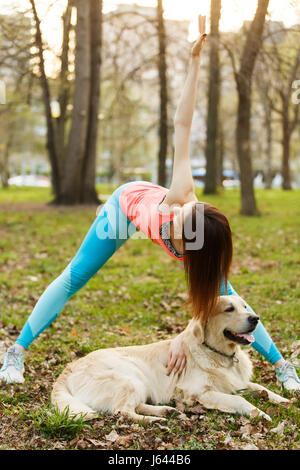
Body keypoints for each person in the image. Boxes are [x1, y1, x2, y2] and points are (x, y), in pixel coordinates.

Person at [1, 16, 299, 391]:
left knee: (231, 298)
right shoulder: (180, 194)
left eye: (186, 219)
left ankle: (284, 365)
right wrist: (194, 62)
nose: (179, 212)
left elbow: (209, 310)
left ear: (194, 245)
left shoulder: (199, 254)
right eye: (188, 210)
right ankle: (15, 350)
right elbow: (183, 124)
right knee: (74, 276)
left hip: (165, 232)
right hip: (124, 207)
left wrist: (182, 339)